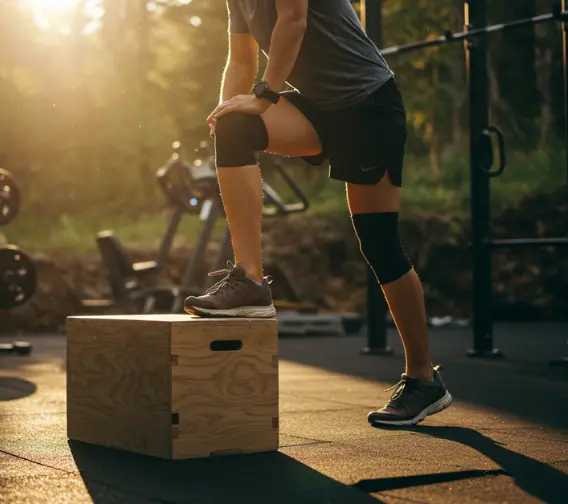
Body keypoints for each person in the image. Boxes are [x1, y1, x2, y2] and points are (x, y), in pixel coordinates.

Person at [183, 0, 452, 426]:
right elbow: (241, 58)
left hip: (370, 108)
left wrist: (264, 95)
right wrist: (227, 111)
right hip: (318, 109)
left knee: (380, 245)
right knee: (236, 127)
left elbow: (294, 21)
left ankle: (423, 378)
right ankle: (250, 277)